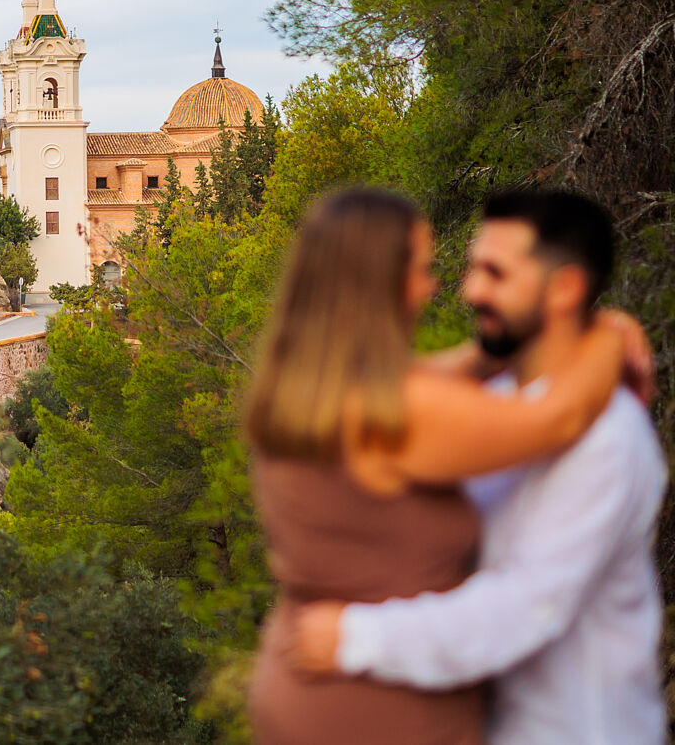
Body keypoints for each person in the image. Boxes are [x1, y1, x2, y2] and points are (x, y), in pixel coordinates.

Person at [244, 188, 650, 745]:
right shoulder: (400, 410)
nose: (444, 287)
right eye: (423, 268)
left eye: (489, 272)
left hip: (310, 691)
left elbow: (452, 371)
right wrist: (604, 334)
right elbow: (559, 417)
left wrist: (524, 336)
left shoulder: (313, 391)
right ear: (376, 283)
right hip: (374, 708)